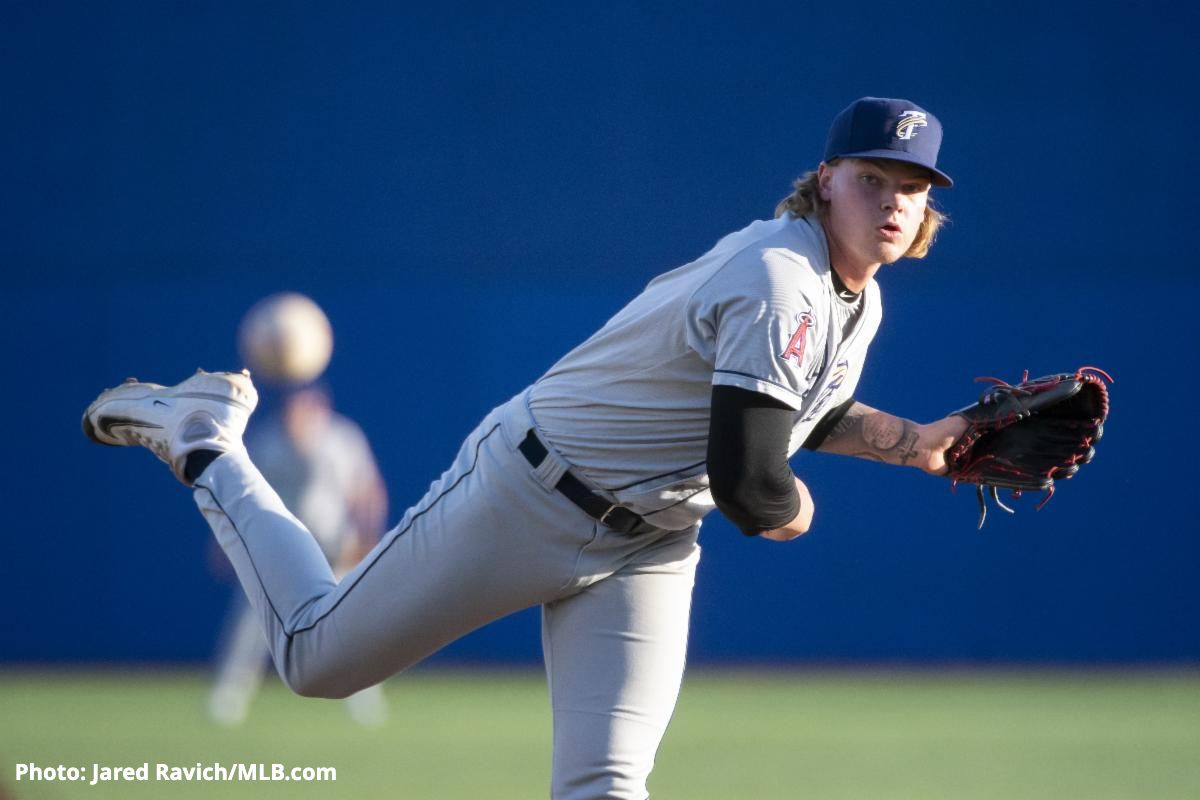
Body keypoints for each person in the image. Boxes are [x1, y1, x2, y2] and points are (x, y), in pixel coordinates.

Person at [84, 96, 969, 799]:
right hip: (532, 492)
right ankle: (205, 440)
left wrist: (915, 445)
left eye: (913, 186)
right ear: (825, 180)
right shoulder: (782, 278)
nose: (894, 201)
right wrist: (793, 510)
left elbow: (803, 409)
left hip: (649, 543)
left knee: (607, 783)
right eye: (872, 178)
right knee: (318, 660)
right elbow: (751, 482)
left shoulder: (855, 297)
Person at [208, 382, 389, 727]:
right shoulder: (268, 440)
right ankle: (228, 698)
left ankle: (366, 703)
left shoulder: (341, 438)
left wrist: (368, 536)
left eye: (309, 404)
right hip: (280, 550)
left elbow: (368, 490)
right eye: (295, 404)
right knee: (252, 624)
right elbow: (239, 496)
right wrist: (224, 541)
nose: (302, 411)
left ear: (322, 405)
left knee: (352, 627)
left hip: (334, 548)